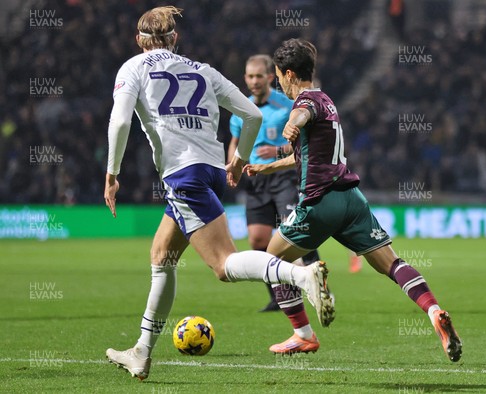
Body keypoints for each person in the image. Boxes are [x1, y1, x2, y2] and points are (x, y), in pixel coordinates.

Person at [103, 8, 333, 381]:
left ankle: (301, 276)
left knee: (224, 266)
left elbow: (121, 120)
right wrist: (240, 160)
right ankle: (142, 353)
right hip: (210, 171)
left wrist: (112, 173)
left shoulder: (133, 67)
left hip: (183, 174)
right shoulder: (203, 70)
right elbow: (252, 116)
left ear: (138, 40)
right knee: (162, 255)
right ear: (175, 39)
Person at [242, 38, 462, 362]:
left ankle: (303, 334)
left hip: (318, 202)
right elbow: (306, 156)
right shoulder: (327, 100)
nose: (278, 84)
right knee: (392, 264)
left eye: (277, 77)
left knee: (269, 261)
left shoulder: (306, 101)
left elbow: (301, 115)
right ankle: (434, 311)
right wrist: (267, 167)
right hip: (351, 199)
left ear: (288, 74)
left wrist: (291, 124)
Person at [228, 54, 321, 312]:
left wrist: (278, 152)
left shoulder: (285, 104)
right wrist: (233, 168)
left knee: (295, 233)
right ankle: (278, 298)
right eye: (250, 76)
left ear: (270, 77)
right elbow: (235, 142)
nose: (254, 81)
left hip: (283, 177)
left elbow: (303, 141)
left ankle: (320, 283)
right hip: (255, 179)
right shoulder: (241, 109)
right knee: (258, 241)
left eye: (259, 76)